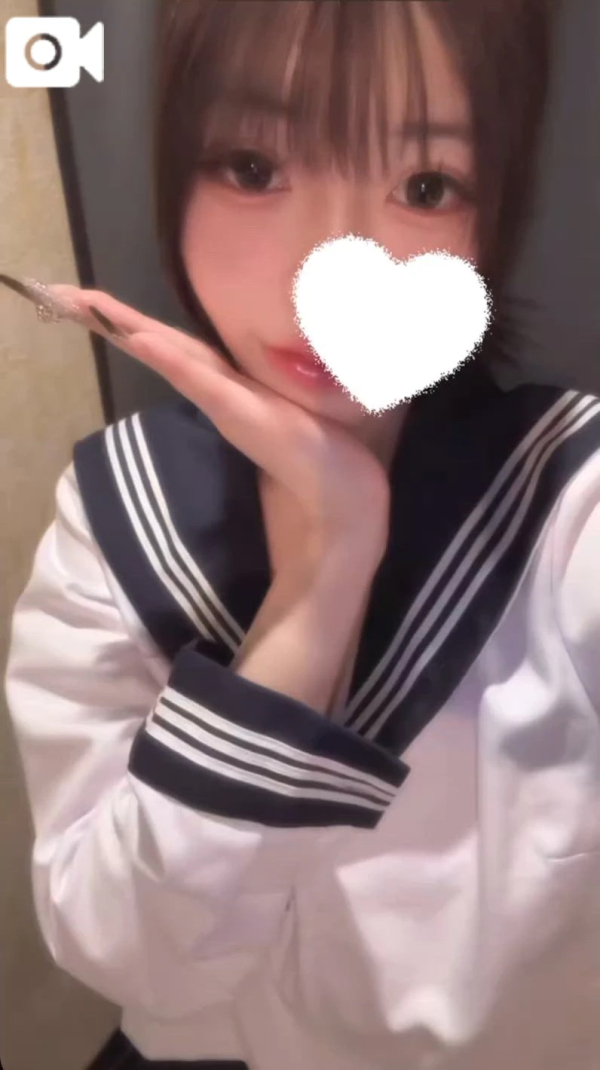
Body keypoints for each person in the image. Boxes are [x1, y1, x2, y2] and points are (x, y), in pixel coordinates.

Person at [5, 1, 600, 1068]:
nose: (329, 264)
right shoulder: (111, 513)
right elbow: (124, 950)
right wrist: (323, 576)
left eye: (426, 186)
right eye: (253, 166)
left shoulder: (569, 490)